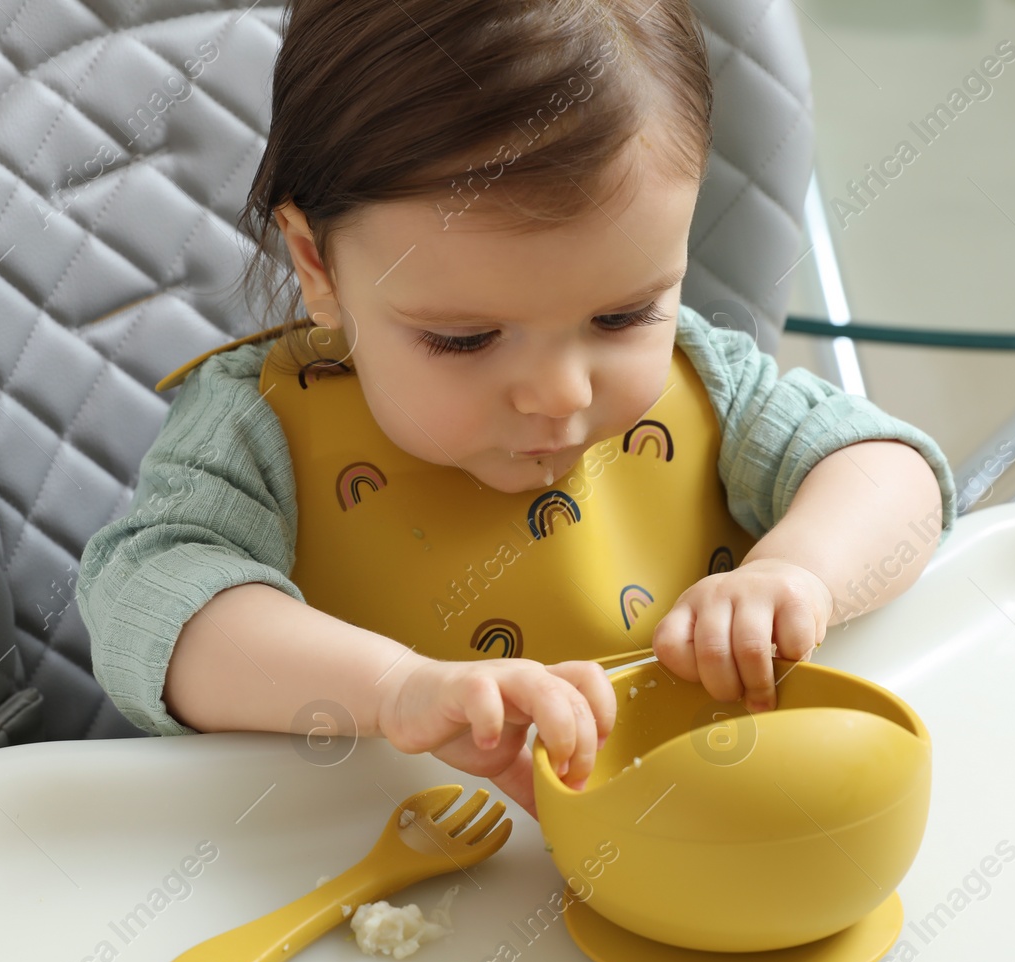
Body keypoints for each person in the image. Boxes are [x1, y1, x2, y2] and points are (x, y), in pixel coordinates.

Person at [77, 0, 956, 819]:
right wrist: (394, 690)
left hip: (700, 830)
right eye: (465, 339)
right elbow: (147, 607)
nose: (560, 395)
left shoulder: (706, 379)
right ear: (318, 266)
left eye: (621, 316)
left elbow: (889, 470)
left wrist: (797, 572)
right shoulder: (258, 425)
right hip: (387, 879)